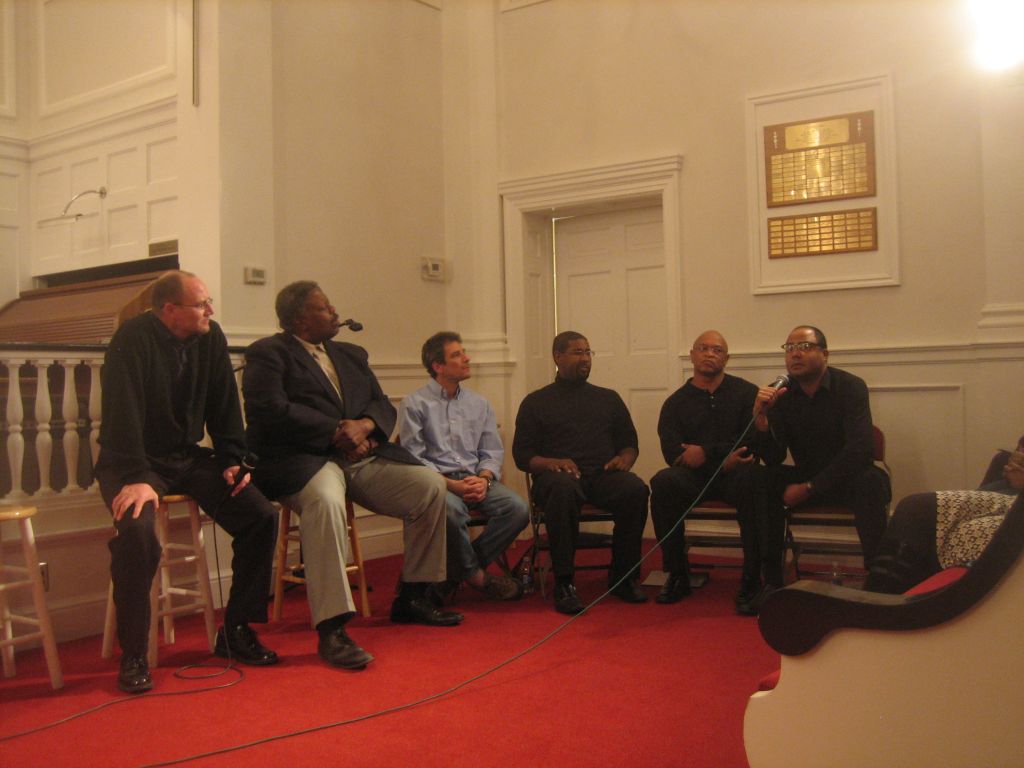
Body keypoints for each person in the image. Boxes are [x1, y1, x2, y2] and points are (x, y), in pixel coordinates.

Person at [242, 281, 462, 670]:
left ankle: (413, 596)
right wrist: (337, 432)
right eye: (324, 307)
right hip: (305, 460)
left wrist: (364, 426)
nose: (334, 312)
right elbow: (270, 410)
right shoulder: (269, 354)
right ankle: (332, 629)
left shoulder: (351, 354)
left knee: (429, 486)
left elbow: (381, 404)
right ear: (299, 319)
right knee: (326, 502)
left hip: (361, 459)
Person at [95, 271, 279, 694]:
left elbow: (223, 403)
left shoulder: (210, 336)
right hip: (132, 461)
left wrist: (233, 458)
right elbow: (121, 415)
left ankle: (235, 629)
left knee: (259, 515)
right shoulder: (131, 339)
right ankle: (135, 654)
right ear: (169, 310)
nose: (210, 311)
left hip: (185, 456)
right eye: (202, 304)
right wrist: (138, 478)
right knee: (139, 536)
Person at [739, 325, 891, 615]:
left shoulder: (851, 386)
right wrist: (762, 420)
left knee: (871, 481)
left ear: (825, 354)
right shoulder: (781, 393)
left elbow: (859, 450)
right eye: (789, 348)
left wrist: (811, 488)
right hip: (807, 473)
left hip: (847, 475)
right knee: (758, 477)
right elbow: (774, 457)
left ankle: (879, 580)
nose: (795, 353)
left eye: (805, 347)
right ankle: (771, 580)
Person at [512, 331, 649, 614]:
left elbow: (629, 444)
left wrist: (625, 459)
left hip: (601, 476)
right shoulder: (536, 402)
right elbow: (522, 455)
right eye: (577, 352)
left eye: (588, 352)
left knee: (635, 490)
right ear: (557, 357)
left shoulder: (608, 398)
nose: (585, 358)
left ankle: (623, 576)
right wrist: (551, 463)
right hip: (556, 479)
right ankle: (564, 582)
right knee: (563, 490)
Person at [399, 332, 529, 603]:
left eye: (464, 352)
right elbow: (414, 457)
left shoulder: (479, 404)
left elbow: (491, 450)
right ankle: (478, 578)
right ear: (438, 366)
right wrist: (451, 484)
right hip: (438, 482)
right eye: (457, 355)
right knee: (451, 512)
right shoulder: (415, 403)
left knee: (517, 509)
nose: (467, 358)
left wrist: (484, 478)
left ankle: (456, 573)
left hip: (475, 478)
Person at [650, 331, 758, 604]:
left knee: (755, 479)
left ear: (727, 358)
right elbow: (672, 453)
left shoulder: (746, 393)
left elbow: (749, 441)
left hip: (736, 475)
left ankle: (753, 576)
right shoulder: (675, 403)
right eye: (704, 348)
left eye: (717, 350)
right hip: (695, 478)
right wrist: (722, 459)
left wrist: (706, 452)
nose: (710, 354)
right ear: (692, 355)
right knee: (664, 482)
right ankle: (676, 573)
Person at [864, 435, 1024, 594]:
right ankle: (881, 600)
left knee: (925, 512)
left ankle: (883, 603)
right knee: (920, 512)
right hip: (1008, 496)